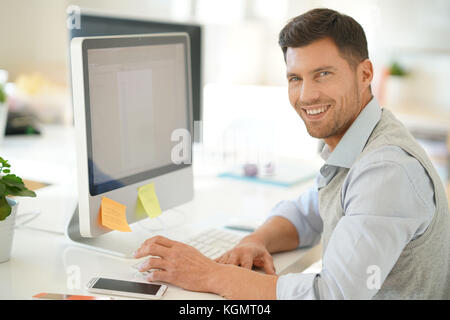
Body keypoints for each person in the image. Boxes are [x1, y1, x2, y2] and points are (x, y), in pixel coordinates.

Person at [133, 8, 450, 299]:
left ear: (365, 74)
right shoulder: (357, 141)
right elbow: (306, 214)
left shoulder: (385, 170)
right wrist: (255, 241)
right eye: (295, 78)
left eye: (323, 74)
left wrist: (208, 274)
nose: (306, 95)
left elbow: (332, 296)